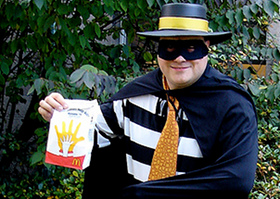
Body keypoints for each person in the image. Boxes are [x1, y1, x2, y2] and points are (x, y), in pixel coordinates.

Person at [38, 3, 258, 199]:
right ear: (158, 49)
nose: (180, 58)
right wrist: (59, 111)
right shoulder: (136, 96)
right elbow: (91, 130)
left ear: (207, 46)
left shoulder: (232, 106)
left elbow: (236, 179)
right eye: (170, 47)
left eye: (191, 47)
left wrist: (144, 193)